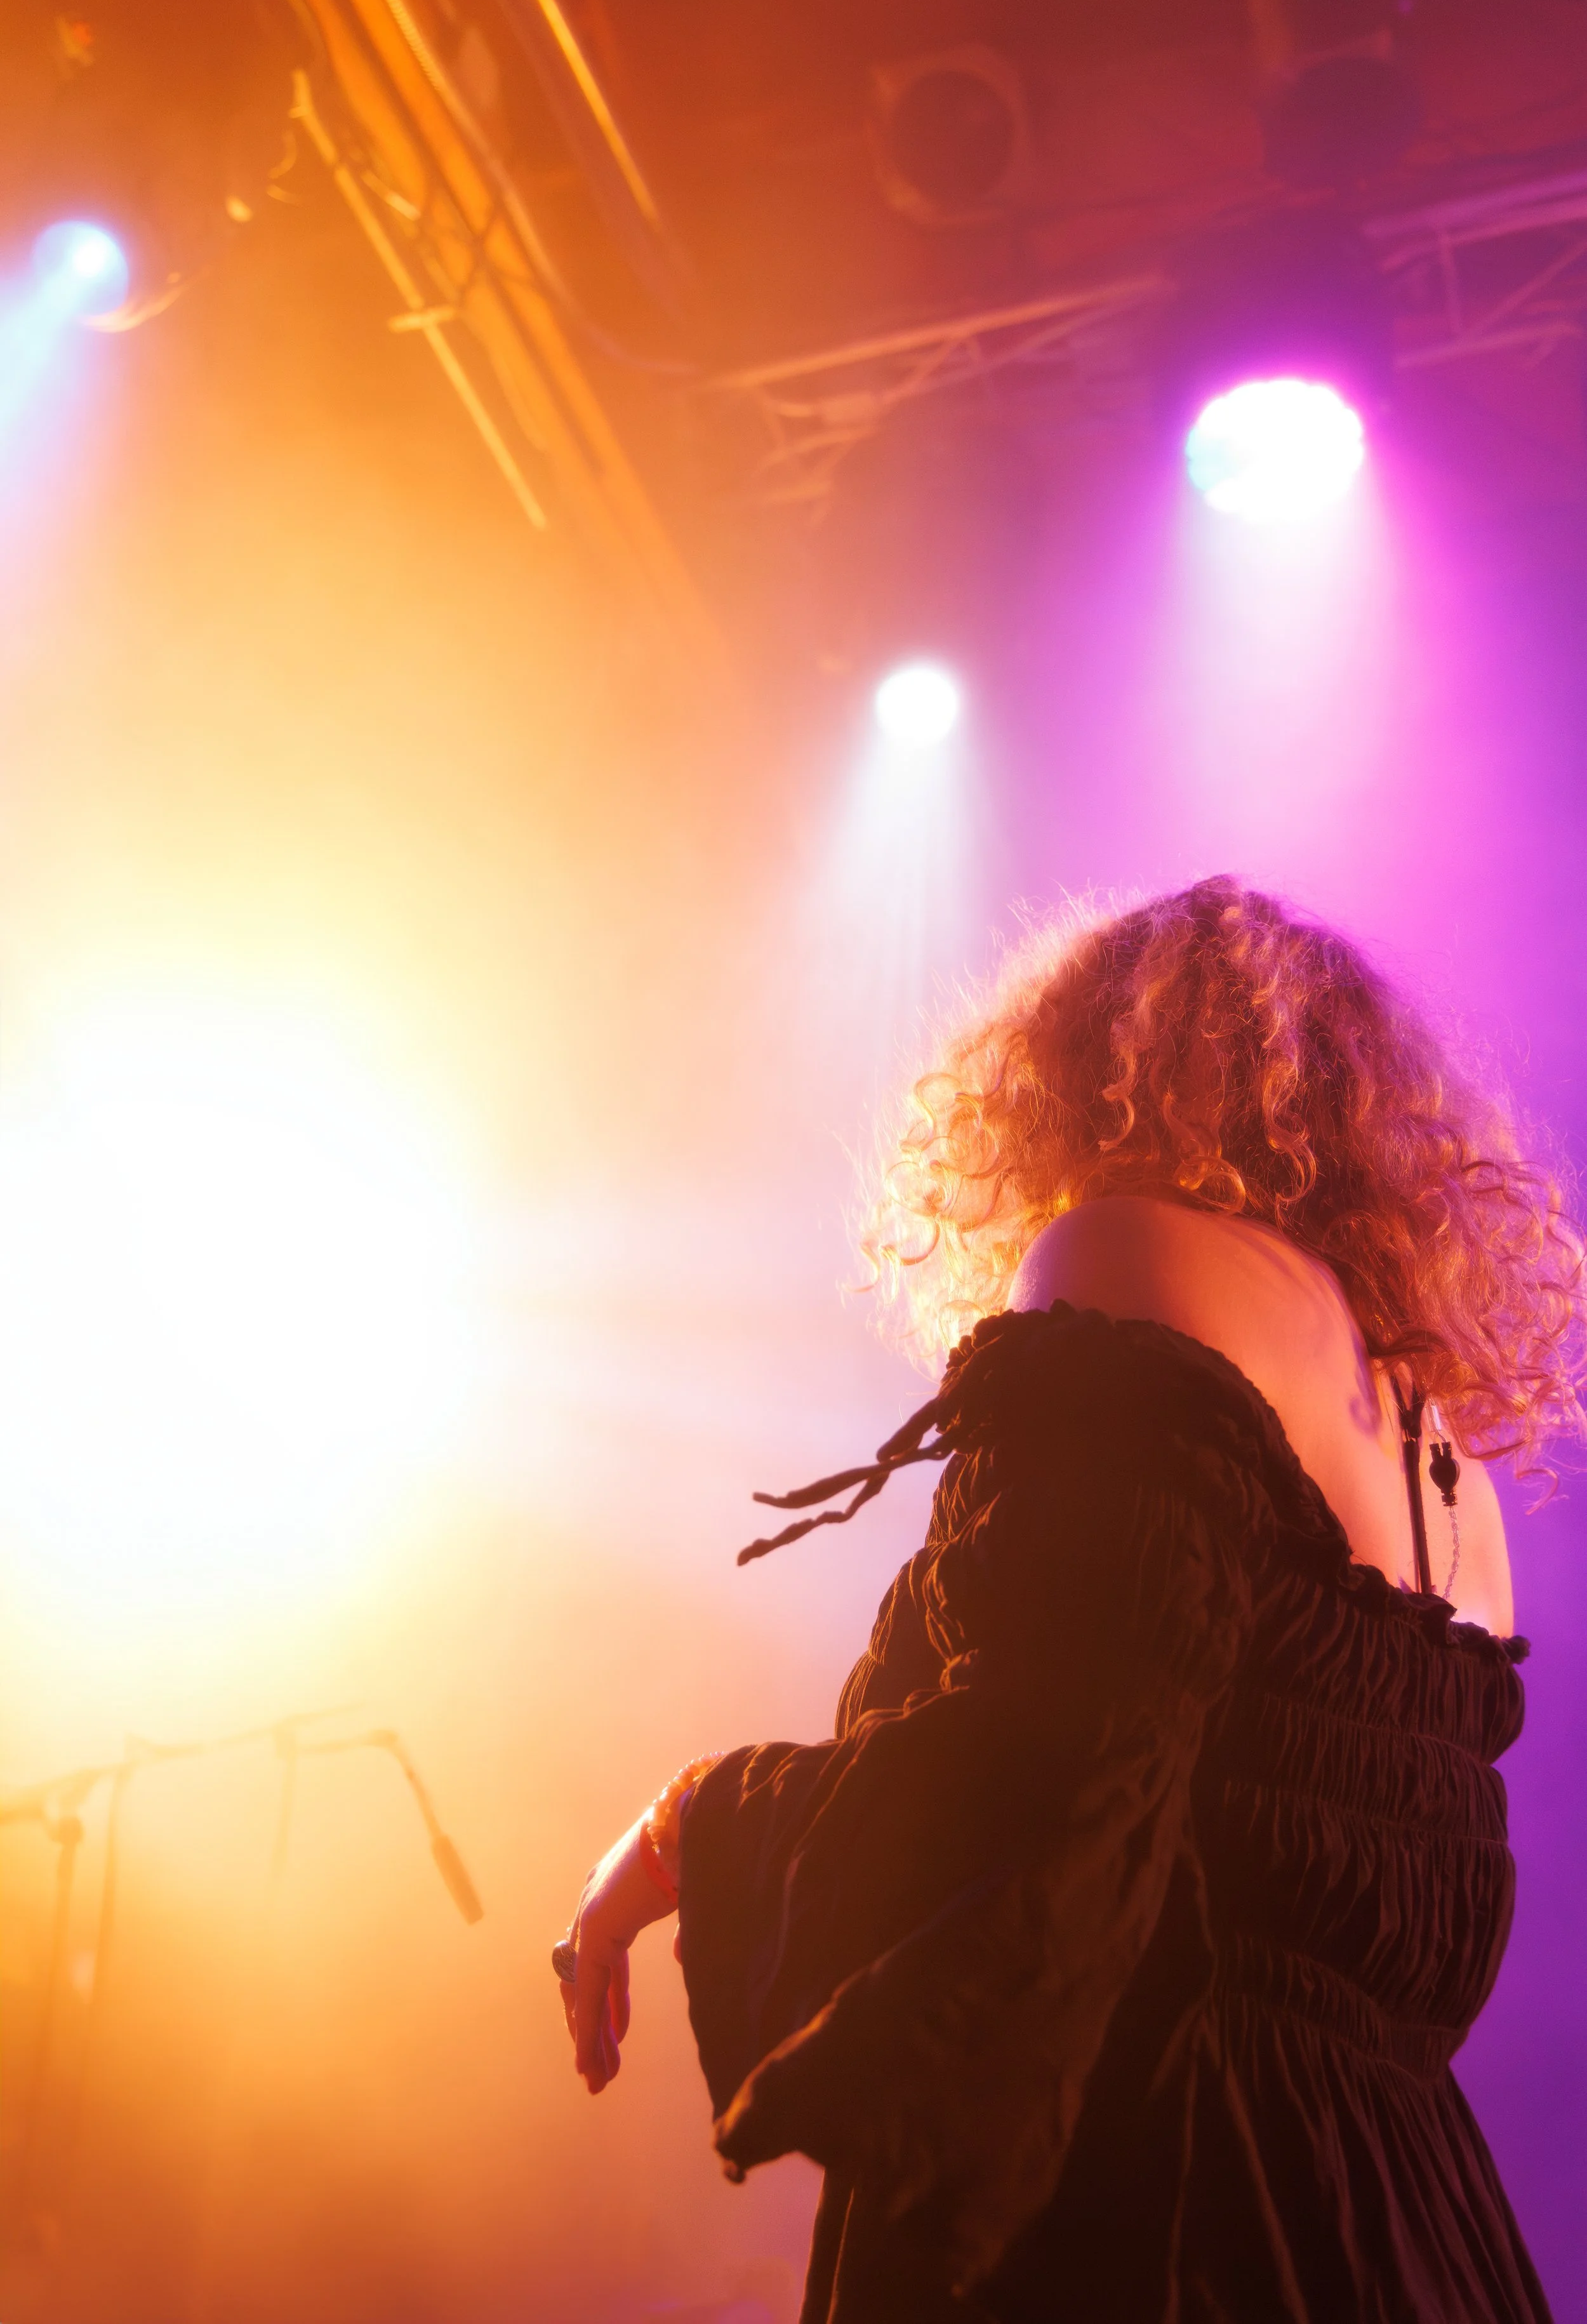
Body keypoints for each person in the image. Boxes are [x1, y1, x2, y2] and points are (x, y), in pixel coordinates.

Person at [555, 877, 1583, 2323]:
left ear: (1081, 1073)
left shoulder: (1123, 1253)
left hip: (1176, 2200)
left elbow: (1046, 1783)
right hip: (1418, 2237)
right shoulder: (1457, 1491)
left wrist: (684, 1830)